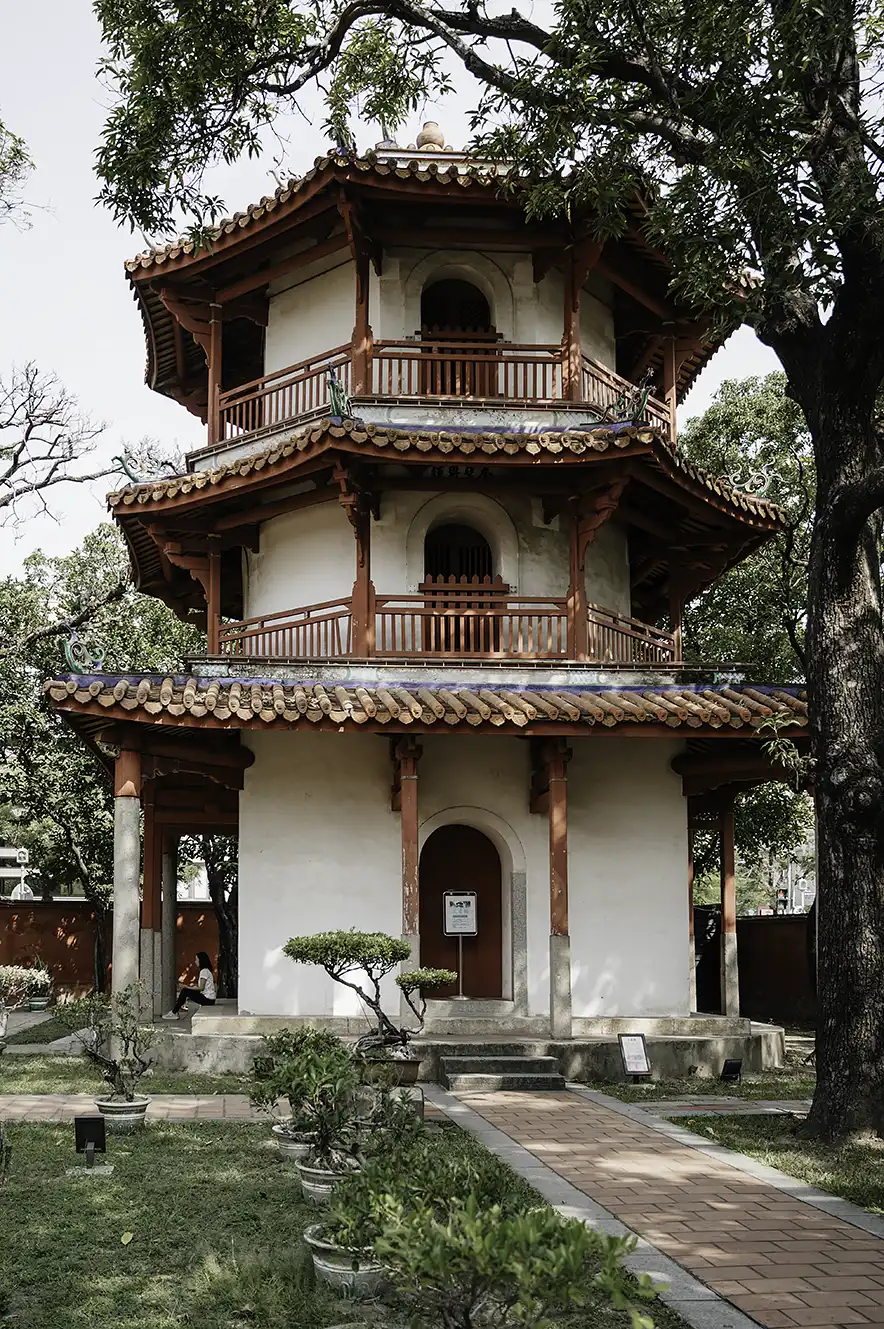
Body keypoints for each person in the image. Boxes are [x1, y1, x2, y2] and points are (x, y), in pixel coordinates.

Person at [162, 952, 217, 1020]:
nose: (195, 961)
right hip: (210, 999)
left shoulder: (204, 971)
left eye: (196, 959)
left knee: (185, 991)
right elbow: (202, 987)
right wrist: (191, 986)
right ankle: (175, 1012)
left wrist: (186, 986)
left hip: (208, 999)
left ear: (201, 960)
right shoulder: (206, 971)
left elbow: (201, 988)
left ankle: (174, 1012)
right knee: (186, 991)